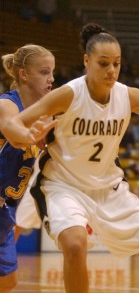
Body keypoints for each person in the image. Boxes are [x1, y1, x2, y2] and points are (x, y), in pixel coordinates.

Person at [2, 23, 139, 293]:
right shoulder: (69, 94)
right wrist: (25, 133)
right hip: (63, 186)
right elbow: (13, 125)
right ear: (86, 61)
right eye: (103, 63)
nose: (111, 71)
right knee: (74, 245)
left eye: (116, 64)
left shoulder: (129, 96)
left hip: (109, 188)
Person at [0, 44, 55, 292]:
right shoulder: (7, 104)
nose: (51, 78)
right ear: (23, 74)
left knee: (8, 281)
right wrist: (29, 133)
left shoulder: (46, 115)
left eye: (52, 72)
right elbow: (13, 130)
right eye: (44, 72)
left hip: (6, 211)